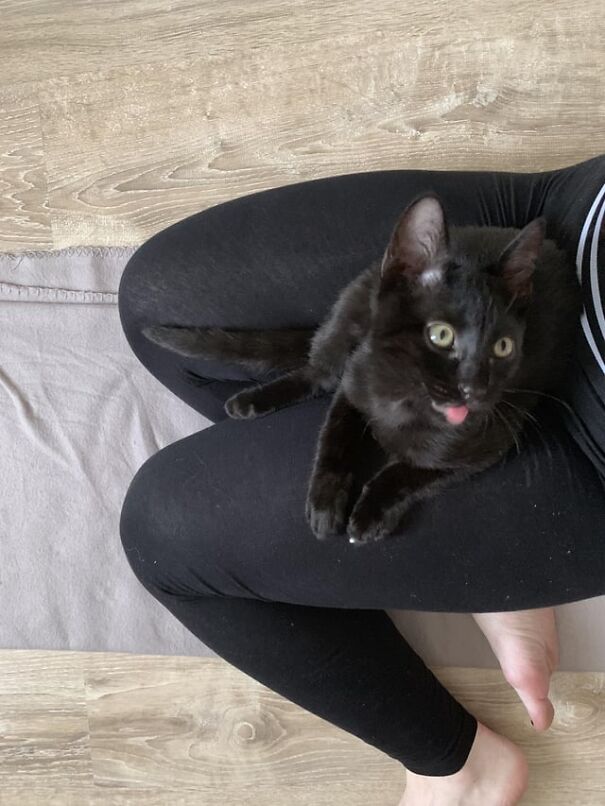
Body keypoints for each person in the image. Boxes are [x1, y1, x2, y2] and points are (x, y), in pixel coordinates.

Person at [117, 155, 605, 805]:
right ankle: (479, 572)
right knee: (158, 304)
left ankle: (459, 764)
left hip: (585, 441)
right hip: (565, 220)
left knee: (162, 531)